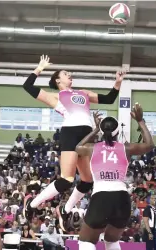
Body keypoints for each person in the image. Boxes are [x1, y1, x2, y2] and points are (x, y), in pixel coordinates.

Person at [22, 55, 126, 231]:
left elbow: (109, 99)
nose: (69, 75)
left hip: (86, 135)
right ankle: (32, 205)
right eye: (65, 73)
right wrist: (39, 68)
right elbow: (28, 86)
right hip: (70, 133)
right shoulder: (56, 96)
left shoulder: (83, 93)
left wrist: (118, 82)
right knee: (66, 180)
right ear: (58, 80)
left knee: (87, 181)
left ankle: (65, 209)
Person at [75, 103, 155, 250]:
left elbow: (78, 147)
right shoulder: (126, 148)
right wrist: (140, 120)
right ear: (118, 133)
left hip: (101, 197)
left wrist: (95, 130)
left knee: (86, 241)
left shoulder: (92, 148)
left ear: (102, 131)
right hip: (121, 199)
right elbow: (149, 144)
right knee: (111, 241)